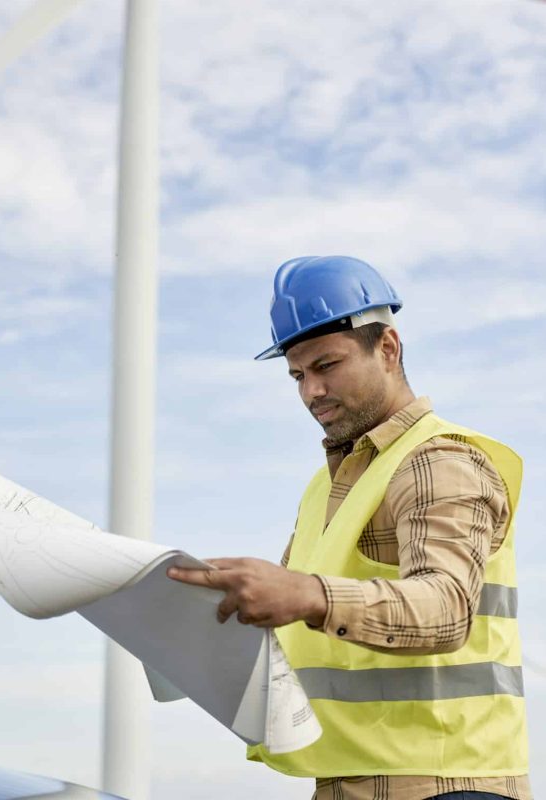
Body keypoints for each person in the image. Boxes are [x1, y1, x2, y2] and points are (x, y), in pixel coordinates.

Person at [167, 255, 531, 800]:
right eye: (297, 375)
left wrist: (307, 594)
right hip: (349, 781)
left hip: (446, 784)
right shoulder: (325, 488)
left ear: (387, 348)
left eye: (326, 366)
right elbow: (292, 623)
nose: (312, 391)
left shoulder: (437, 461)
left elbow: (447, 607)